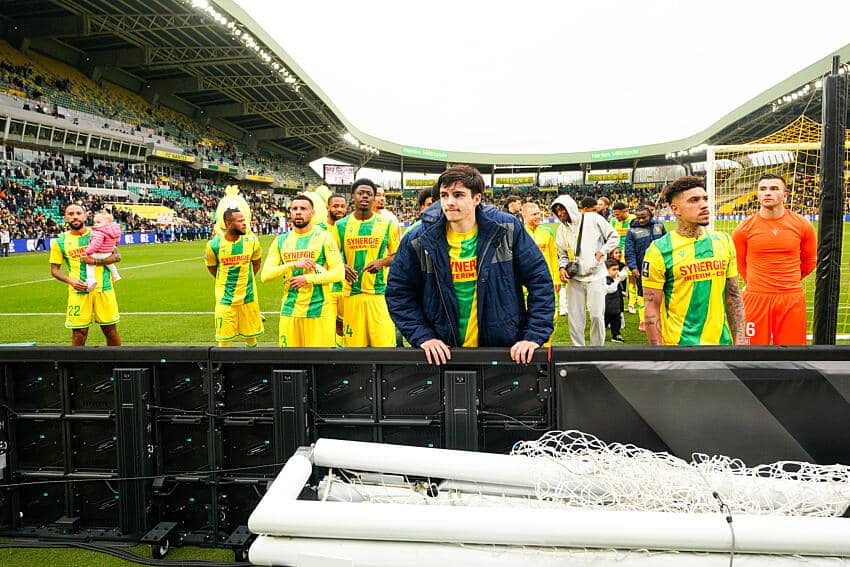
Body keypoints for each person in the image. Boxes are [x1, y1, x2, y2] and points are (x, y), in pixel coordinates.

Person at [387, 165, 553, 365]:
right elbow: (399, 292)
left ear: (477, 198)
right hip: (443, 356)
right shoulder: (418, 238)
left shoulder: (507, 229)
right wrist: (423, 336)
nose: (449, 202)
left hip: (502, 352)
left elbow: (540, 281)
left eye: (458, 195)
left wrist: (533, 334)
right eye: (444, 195)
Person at [643, 176, 744, 346]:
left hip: (721, 346)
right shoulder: (659, 250)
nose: (704, 205)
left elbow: (733, 297)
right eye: (694, 200)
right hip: (679, 350)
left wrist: (740, 344)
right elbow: (651, 307)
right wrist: (658, 353)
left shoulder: (724, 241)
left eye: (705, 199)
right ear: (676, 209)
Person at [731, 174, 816, 345]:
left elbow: (809, 261)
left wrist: (786, 282)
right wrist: (758, 283)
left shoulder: (802, 225)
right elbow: (739, 264)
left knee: (792, 357)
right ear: (758, 194)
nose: (767, 193)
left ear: (785, 195)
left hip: (791, 298)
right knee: (750, 355)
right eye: (763, 189)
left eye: (774, 188)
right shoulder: (743, 229)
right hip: (755, 299)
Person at [261, 195, 344, 347]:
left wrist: (307, 279)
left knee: (320, 362)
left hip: (319, 310)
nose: (298, 212)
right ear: (290, 212)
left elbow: (339, 273)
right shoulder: (280, 241)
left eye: (303, 209)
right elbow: (265, 276)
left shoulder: (324, 238)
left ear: (312, 213)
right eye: (294, 209)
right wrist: (292, 265)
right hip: (290, 310)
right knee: (290, 363)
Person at [333, 179, 399, 347]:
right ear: (353, 197)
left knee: (384, 348)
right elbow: (330, 256)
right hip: (351, 296)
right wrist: (341, 266)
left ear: (374, 198)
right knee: (354, 351)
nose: (365, 196)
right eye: (360, 193)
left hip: (378, 295)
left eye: (369, 194)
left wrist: (382, 262)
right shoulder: (340, 225)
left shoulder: (387, 224)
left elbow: (398, 255)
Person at [551, 194, 619, 346]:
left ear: (571, 208)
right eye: (557, 211)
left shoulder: (593, 219)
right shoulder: (561, 230)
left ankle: (597, 350)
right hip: (574, 278)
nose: (561, 214)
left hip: (595, 275)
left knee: (596, 316)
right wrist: (562, 267)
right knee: (575, 318)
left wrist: (602, 251)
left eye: (562, 209)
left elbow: (614, 236)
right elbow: (562, 254)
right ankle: (578, 350)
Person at [49, 204, 121, 346]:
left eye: (78, 213)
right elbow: (54, 270)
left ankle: (116, 365)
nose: (75, 216)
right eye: (70, 214)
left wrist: (94, 260)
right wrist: (71, 281)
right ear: (65, 217)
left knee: (110, 331)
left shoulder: (98, 232)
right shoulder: (60, 242)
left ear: (85, 216)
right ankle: (76, 368)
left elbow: (117, 256)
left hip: (104, 288)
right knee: (79, 333)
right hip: (78, 291)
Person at [204, 208, 263, 347]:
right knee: (224, 340)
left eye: (245, 220)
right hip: (225, 299)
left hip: (248, 297)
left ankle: (253, 366)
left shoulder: (252, 241)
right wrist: (226, 283)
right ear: (228, 224)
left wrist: (245, 280)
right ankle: (224, 368)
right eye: (240, 221)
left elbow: (257, 262)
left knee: (251, 338)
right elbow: (212, 268)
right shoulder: (213, 245)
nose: (245, 224)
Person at [624, 205, 667, 332]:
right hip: (642, 268)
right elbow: (629, 251)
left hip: (661, 267)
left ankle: (661, 317)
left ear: (650, 215)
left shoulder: (659, 226)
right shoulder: (632, 232)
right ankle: (643, 320)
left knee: (663, 292)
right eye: (638, 218)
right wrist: (633, 267)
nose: (641, 220)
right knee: (643, 294)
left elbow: (666, 244)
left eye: (643, 217)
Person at [522, 201, 561, 338]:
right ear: (524, 216)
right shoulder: (519, 233)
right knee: (527, 314)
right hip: (524, 282)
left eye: (539, 213)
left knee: (550, 314)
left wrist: (556, 279)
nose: (538, 216)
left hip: (547, 281)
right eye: (534, 214)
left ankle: (546, 344)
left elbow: (553, 257)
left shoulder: (548, 232)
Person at [84, 211, 122, 291]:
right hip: (108, 252)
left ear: (107, 224)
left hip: (99, 252)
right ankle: (116, 275)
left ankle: (91, 280)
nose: (96, 224)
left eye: (98, 222)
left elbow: (95, 244)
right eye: (95, 222)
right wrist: (114, 245)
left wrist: (87, 252)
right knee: (109, 263)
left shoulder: (99, 232)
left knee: (89, 265)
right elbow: (117, 240)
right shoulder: (114, 231)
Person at [610, 202, 637, 313]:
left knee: (632, 279)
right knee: (615, 277)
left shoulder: (633, 220)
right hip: (616, 254)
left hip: (630, 253)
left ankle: (631, 304)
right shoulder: (613, 221)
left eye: (618, 214)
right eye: (615, 214)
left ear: (625, 211)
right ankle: (617, 302)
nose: (616, 217)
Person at [603, 259, 627, 343]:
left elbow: (618, 287)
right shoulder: (605, 279)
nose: (616, 271)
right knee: (603, 322)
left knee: (616, 322)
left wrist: (622, 292)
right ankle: (599, 334)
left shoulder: (615, 278)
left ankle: (616, 335)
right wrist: (617, 280)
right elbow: (610, 289)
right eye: (613, 269)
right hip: (607, 307)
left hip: (616, 307)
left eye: (617, 269)